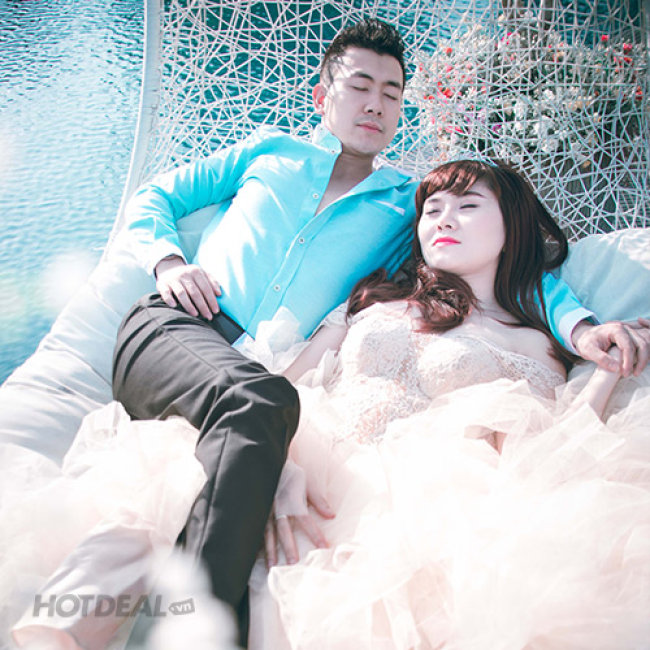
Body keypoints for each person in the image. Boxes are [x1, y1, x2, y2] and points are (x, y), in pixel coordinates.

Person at [110, 18, 649, 646]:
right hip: (194, 332)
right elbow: (155, 197)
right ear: (322, 95)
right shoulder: (270, 153)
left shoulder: (403, 205)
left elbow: (518, 274)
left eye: (391, 93)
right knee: (196, 468)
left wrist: (583, 332)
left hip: (298, 421)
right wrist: (170, 263)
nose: (376, 104)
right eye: (360, 86)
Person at [245, 159, 650, 649]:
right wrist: (277, 464)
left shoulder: (530, 342)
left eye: (468, 206)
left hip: (426, 525)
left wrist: (608, 369)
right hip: (303, 479)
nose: (444, 220)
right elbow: (279, 391)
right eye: (432, 209)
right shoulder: (372, 300)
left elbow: (546, 461)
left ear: (511, 227)